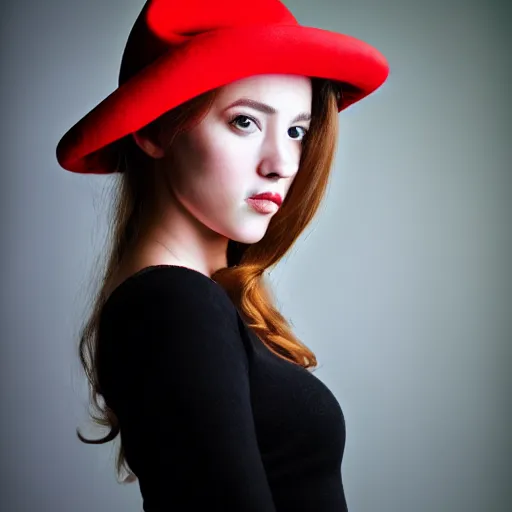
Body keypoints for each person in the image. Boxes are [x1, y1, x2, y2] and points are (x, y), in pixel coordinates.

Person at [56, 0, 389, 510]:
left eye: (297, 131)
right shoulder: (173, 306)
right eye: (245, 122)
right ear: (152, 128)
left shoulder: (193, 302)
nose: (282, 164)